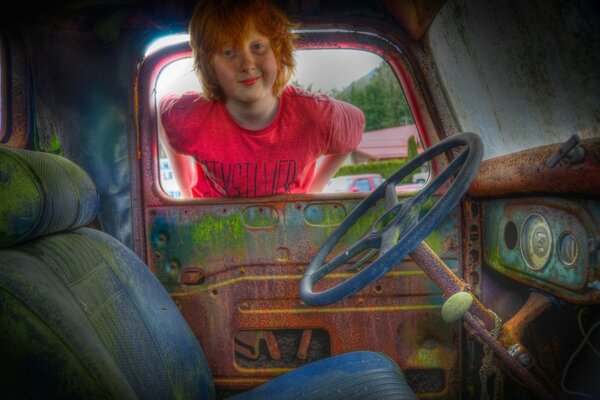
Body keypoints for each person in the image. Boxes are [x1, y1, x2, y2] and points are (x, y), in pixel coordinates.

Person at [158, 0, 365, 198]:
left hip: (289, 225)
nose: (247, 64)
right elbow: (161, 116)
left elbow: (356, 124)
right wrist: (185, 190)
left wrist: (314, 190)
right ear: (209, 65)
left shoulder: (315, 116)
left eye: (257, 46)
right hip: (212, 227)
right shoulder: (190, 119)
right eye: (229, 52)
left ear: (278, 50)